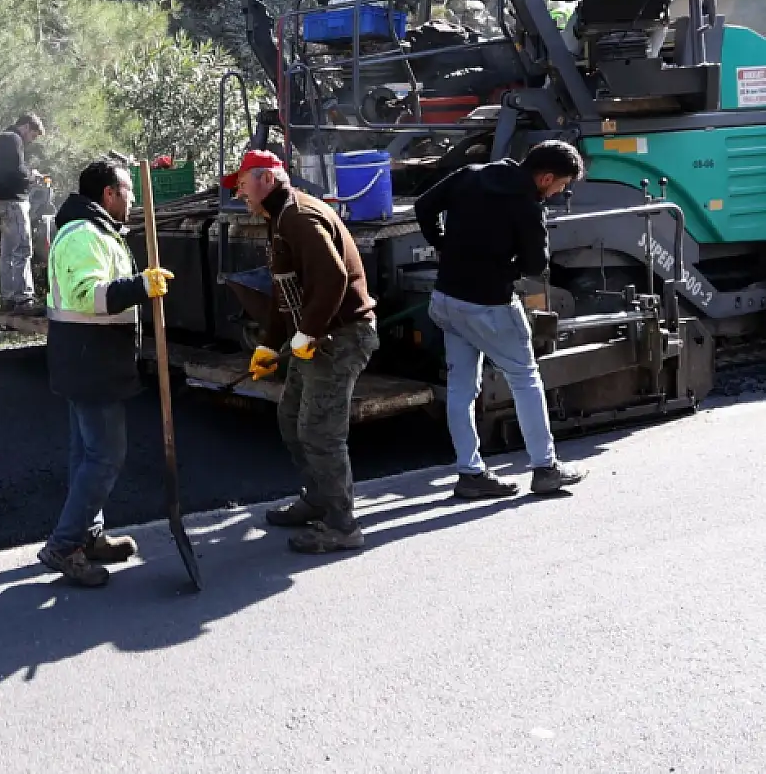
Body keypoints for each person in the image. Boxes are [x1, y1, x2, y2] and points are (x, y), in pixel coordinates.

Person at [414, 140, 587, 498]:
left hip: (448, 298)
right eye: (562, 185)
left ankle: (470, 472)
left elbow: (423, 205)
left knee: (461, 388)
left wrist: (443, 245)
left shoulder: (471, 175)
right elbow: (535, 266)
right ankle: (545, 468)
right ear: (546, 177)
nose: (560, 192)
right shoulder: (526, 206)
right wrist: (505, 269)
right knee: (525, 379)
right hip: (491, 305)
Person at [227, 149, 379, 555]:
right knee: (291, 415)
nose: (239, 192)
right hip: (318, 337)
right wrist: (268, 344)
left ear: (267, 179)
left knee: (320, 432)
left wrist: (308, 332)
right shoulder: (278, 219)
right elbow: (283, 294)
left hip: (341, 336)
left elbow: (333, 277)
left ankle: (342, 525)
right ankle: (318, 497)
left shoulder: (299, 216)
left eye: (242, 183)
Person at [37, 156, 172, 587]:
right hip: (88, 360)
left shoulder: (100, 232)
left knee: (86, 455)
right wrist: (141, 286)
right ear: (109, 194)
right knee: (105, 456)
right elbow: (87, 296)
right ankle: (63, 545)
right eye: (128, 191)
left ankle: (87, 537)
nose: (131, 199)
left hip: (90, 359)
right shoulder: (82, 235)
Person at [0, 114, 47, 314]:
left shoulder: (1, 139)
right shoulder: (13, 139)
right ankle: (23, 299)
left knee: (7, 252)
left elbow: (8, 170)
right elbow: (17, 171)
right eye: (33, 135)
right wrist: (33, 176)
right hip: (14, 202)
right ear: (25, 127)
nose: (31, 140)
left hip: (2, 201)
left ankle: (8, 299)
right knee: (22, 248)